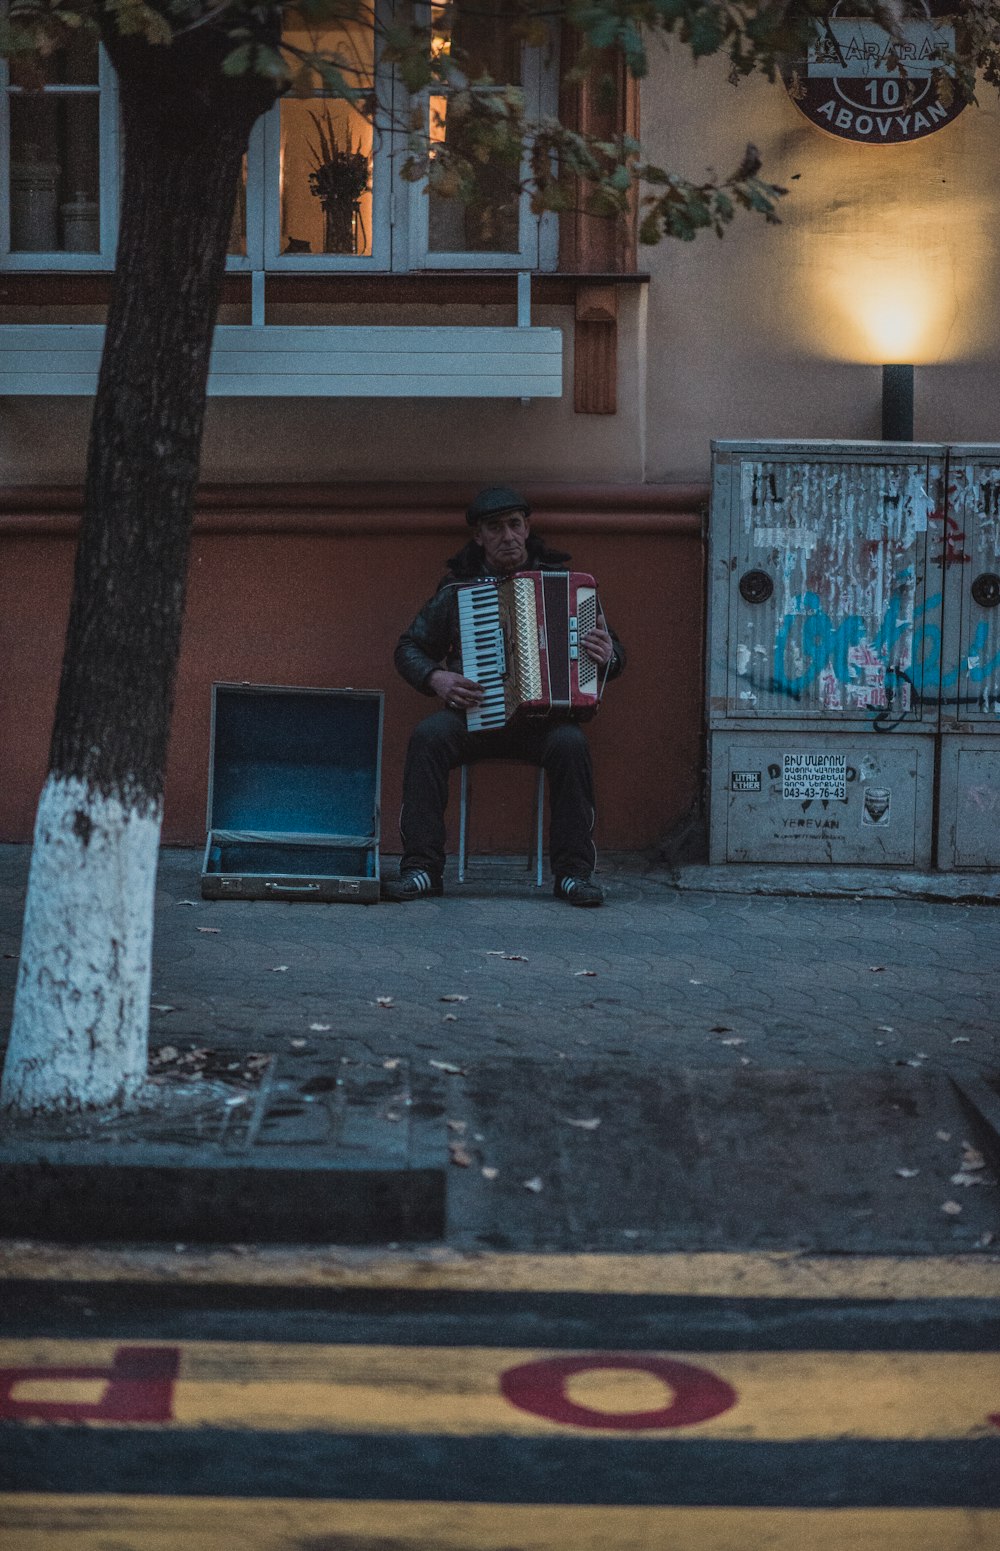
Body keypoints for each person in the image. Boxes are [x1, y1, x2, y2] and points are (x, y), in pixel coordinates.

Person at [383, 485, 625, 907]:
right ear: (478, 536)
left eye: (515, 525)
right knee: (428, 737)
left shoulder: (567, 586)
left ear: (528, 528)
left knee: (571, 743)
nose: (508, 536)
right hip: (474, 718)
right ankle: (421, 869)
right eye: (495, 528)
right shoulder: (457, 590)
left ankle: (573, 875)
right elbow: (408, 648)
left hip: (542, 724)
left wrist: (608, 656)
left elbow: (615, 657)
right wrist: (437, 679)